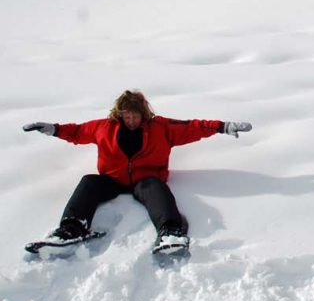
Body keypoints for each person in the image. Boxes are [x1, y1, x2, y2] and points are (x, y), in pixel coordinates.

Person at [22, 89, 252, 254]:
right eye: (126, 114)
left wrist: (222, 127)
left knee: (156, 188)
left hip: (145, 179)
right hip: (112, 179)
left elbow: (192, 127)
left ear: (143, 113)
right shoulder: (104, 127)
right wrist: (53, 129)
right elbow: (78, 132)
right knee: (89, 182)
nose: (130, 119)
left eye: (135, 114)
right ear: (119, 113)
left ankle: (170, 232)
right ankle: (71, 230)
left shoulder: (161, 127)